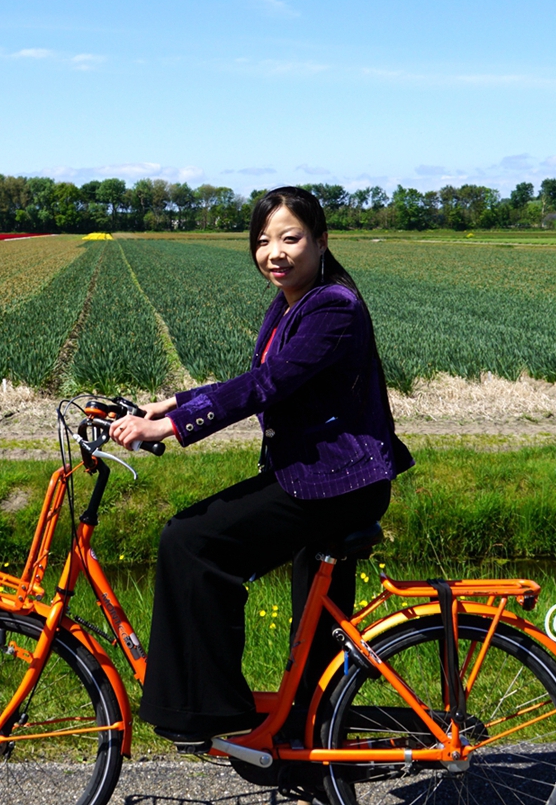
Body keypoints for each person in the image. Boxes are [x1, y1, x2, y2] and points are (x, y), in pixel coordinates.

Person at [110, 186, 413, 752]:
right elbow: (255, 379)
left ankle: (204, 708)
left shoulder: (332, 307)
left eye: (290, 238)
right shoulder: (293, 302)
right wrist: (175, 402)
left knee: (190, 540)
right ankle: (315, 746)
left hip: (335, 483)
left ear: (322, 241)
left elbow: (269, 384)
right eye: (263, 241)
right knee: (314, 636)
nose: (274, 252)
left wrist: (174, 431)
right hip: (325, 477)